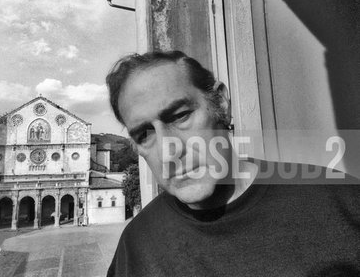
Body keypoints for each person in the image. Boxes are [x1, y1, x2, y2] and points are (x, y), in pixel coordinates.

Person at [105, 50, 360, 277]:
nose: (168, 152)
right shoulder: (137, 245)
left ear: (221, 104)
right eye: (144, 134)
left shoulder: (339, 201)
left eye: (181, 116)